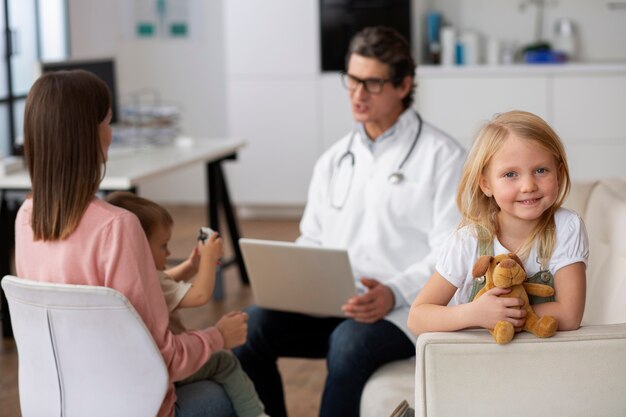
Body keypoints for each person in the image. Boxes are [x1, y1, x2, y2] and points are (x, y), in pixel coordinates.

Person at [234, 26, 466, 417]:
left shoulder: (443, 157)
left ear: (403, 84)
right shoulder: (334, 159)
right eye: (353, 80)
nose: (358, 94)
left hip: (403, 310)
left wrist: (392, 291)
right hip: (338, 301)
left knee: (348, 344)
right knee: (249, 329)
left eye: (372, 83)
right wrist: (296, 278)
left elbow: (451, 253)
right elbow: (313, 237)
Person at [14, 69, 246, 417]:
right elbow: (161, 360)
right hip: (131, 408)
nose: (111, 133)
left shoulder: (25, 218)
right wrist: (218, 336)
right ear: (90, 136)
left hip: (56, 407)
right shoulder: (118, 228)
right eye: (107, 122)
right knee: (225, 389)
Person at [407, 110, 588, 340]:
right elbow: (417, 318)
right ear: (486, 184)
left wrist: (506, 315)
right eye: (511, 174)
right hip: (480, 364)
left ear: (559, 174)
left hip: (542, 363)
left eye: (541, 170)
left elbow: (570, 315)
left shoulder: (565, 227)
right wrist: (474, 314)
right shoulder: (468, 240)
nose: (528, 185)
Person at [105, 191, 268, 417]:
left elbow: (165, 283)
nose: (169, 252)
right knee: (224, 362)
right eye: (163, 245)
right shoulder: (150, 280)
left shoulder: (129, 277)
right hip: (169, 369)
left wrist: (192, 265)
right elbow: (200, 296)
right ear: (139, 247)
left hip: (143, 374)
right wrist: (209, 260)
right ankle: (255, 413)